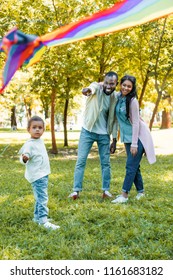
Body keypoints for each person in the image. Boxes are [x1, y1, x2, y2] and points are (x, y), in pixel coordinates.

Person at [68, 71, 119, 200]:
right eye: (106, 83)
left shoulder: (115, 97)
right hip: (88, 131)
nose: (108, 86)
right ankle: (76, 191)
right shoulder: (96, 87)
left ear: (116, 84)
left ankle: (106, 191)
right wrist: (87, 90)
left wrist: (114, 139)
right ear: (103, 82)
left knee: (106, 163)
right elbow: (92, 88)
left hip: (104, 134)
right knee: (81, 160)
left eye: (111, 84)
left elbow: (114, 119)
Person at [110, 75, 156, 203]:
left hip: (138, 138)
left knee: (130, 166)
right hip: (128, 138)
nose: (126, 88)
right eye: (124, 85)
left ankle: (124, 195)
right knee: (135, 166)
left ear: (132, 87)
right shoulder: (118, 97)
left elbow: (136, 123)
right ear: (120, 85)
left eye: (129, 86)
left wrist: (135, 144)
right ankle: (141, 192)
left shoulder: (133, 101)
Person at [19, 116, 60, 230]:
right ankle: (43, 221)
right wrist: (25, 158)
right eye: (34, 127)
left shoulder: (39, 141)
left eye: (40, 127)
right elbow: (24, 155)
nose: (37, 130)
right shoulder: (29, 144)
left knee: (39, 197)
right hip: (38, 176)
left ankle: (37, 218)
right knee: (42, 198)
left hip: (42, 174)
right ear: (28, 129)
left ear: (43, 130)